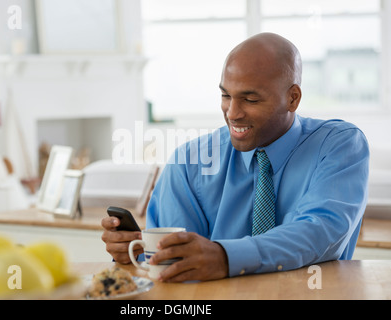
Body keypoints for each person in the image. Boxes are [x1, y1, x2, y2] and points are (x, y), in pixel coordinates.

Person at [101, 32, 369, 283]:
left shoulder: (339, 145)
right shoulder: (189, 162)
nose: (232, 113)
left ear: (293, 98)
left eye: (250, 100)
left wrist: (225, 257)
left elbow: (318, 232)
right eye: (226, 95)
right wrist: (137, 253)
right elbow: (175, 265)